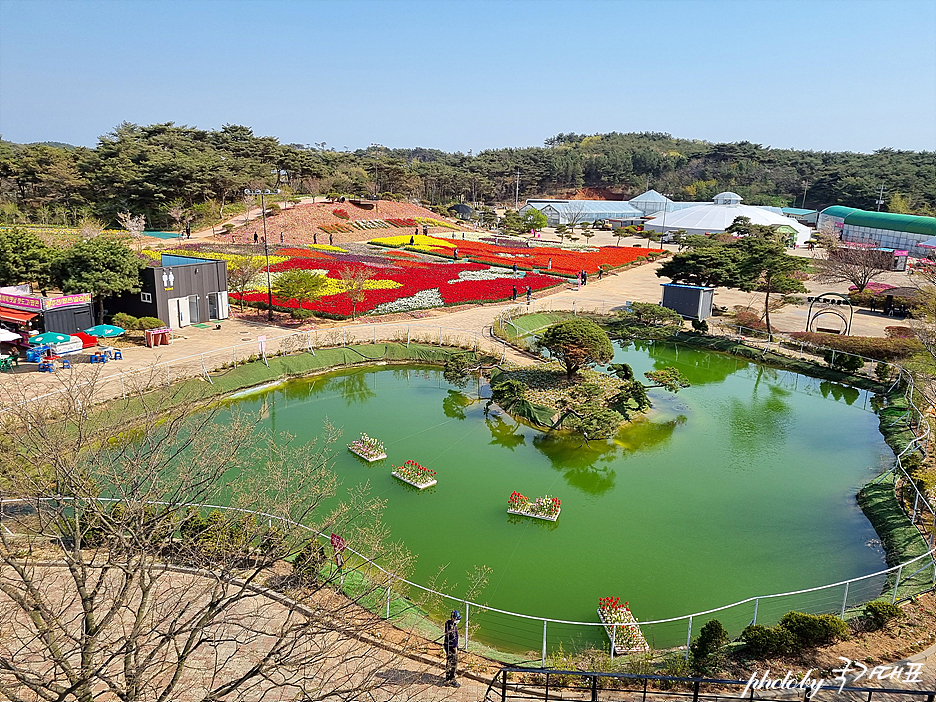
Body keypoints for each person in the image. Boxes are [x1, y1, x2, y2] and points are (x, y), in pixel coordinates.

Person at [443, 610, 461, 687]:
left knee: (448, 662)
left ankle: (447, 678)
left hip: (446, 646)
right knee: (453, 663)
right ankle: (451, 679)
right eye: (457, 619)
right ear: (453, 618)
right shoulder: (453, 629)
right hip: (451, 648)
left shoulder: (448, 623)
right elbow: (454, 642)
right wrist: (456, 650)